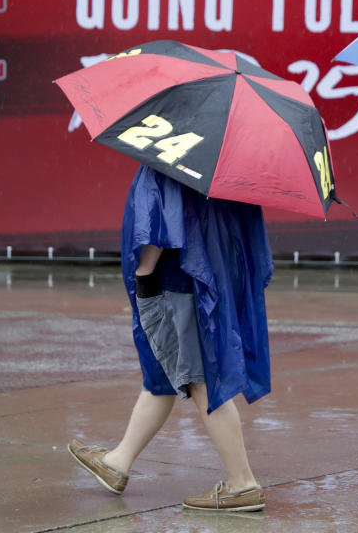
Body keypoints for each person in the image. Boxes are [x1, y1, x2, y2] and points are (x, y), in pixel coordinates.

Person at [69, 165, 273, 512]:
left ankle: (242, 484)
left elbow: (160, 220)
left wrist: (143, 275)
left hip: (174, 283)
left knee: (201, 382)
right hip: (200, 277)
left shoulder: (173, 151)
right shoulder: (222, 161)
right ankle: (118, 461)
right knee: (160, 378)